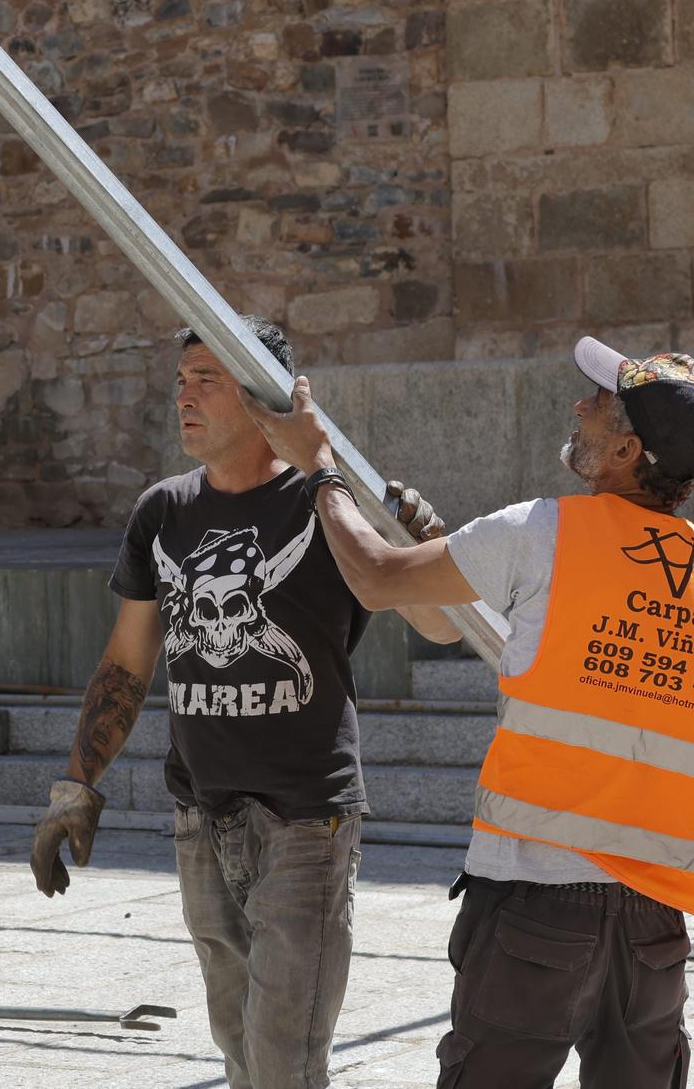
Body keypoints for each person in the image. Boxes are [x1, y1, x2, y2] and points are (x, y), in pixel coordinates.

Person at [241, 335, 694, 1089]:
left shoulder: (544, 531)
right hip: (655, 923)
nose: (579, 406)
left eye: (599, 404)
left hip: (536, 910)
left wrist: (320, 468)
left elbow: (374, 576)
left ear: (627, 449)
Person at [29, 314, 458, 1089]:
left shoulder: (324, 504)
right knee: (240, 1057)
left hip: (305, 822)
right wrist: (76, 783)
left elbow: (437, 622)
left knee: (283, 1066)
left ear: (264, 400)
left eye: (207, 382)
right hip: (201, 818)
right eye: (180, 382)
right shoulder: (163, 513)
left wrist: (422, 539)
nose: (184, 399)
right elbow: (127, 662)